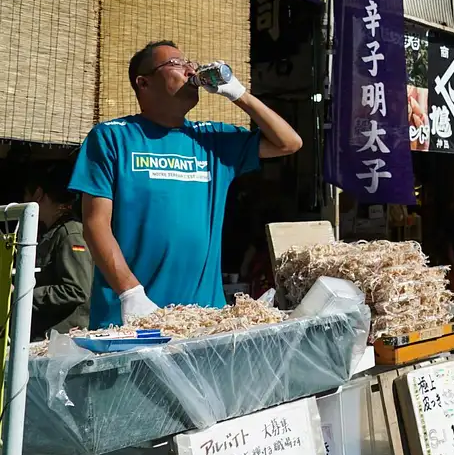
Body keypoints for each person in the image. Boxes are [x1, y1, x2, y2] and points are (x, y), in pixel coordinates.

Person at [70, 41, 302, 328]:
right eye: (177, 63)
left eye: (190, 63)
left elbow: (289, 143)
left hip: (202, 319)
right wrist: (130, 292)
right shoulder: (110, 138)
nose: (190, 69)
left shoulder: (212, 140)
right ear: (144, 83)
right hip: (130, 319)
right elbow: (95, 225)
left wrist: (238, 94)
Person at [24, 161, 93, 340]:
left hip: (62, 342)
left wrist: (24, 293)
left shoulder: (70, 234)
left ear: (38, 194)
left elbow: (76, 290)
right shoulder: (51, 233)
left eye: (26, 195)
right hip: (46, 337)